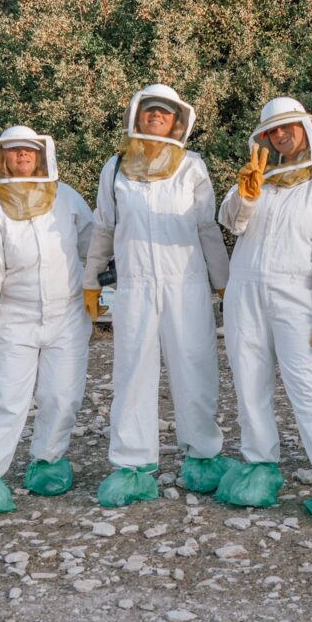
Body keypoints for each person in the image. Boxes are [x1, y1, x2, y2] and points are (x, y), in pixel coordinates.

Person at [82, 84, 231, 507]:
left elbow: (206, 228)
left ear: (177, 121)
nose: (155, 118)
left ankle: (203, 455)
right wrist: (92, 279)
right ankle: (132, 463)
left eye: (163, 113)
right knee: (132, 372)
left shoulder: (192, 168)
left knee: (196, 368)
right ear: (135, 114)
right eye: (149, 111)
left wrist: (225, 283)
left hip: (186, 283)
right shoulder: (115, 168)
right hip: (133, 285)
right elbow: (105, 227)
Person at [216, 96, 312, 524]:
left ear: (305, 131)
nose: (281, 135)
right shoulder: (256, 177)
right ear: (264, 138)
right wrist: (246, 194)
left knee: (308, 387)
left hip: (297, 296)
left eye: (288, 128)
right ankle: (260, 466)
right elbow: (231, 222)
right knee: (249, 381)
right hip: (244, 293)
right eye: (273, 131)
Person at [0, 125, 94, 518]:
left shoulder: (66, 198)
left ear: (41, 155)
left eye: (27, 152)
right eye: (14, 152)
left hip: (67, 313)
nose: (22, 157)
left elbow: (92, 244)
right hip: (15, 316)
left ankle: (49, 460)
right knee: (6, 398)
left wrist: (98, 282)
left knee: (61, 395)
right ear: (2, 158)